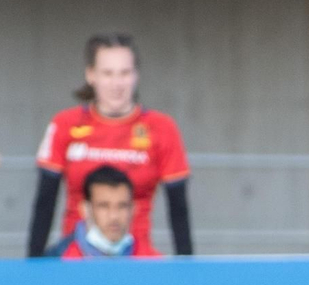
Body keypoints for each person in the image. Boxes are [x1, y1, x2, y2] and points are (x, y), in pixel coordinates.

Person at [29, 33, 191, 258]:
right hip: (76, 260)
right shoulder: (64, 124)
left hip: (137, 260)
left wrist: (188, 268)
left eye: (124, 73)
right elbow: (44, 203)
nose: (117, 84)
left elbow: (179, 210)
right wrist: (33, 266)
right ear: (91, 75)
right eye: (107, 73)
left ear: (136, 75)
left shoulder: (162, 127)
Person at [44, 165, 158, 259]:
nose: (114, 216)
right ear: (85, 209)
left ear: (133, 209)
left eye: (122, 206)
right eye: (104, 206)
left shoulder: (152, 262)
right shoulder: (56, 261)